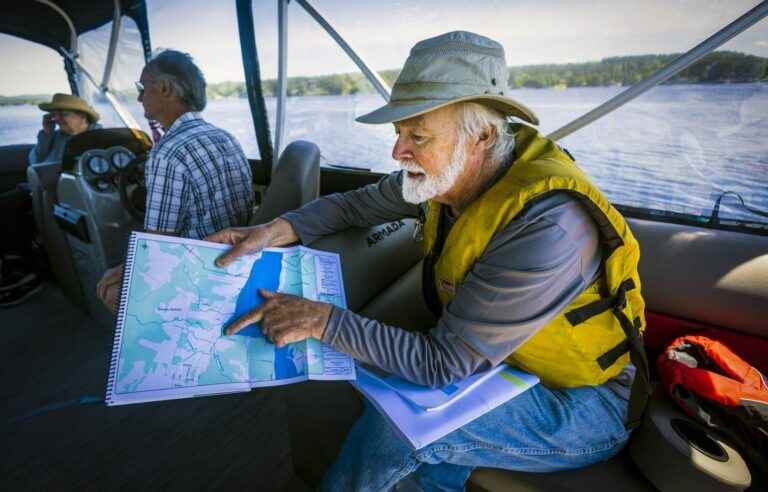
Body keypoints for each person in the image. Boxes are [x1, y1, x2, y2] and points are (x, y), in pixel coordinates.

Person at [208, 31, 649, 491]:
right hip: (508, 367)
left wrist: (321, 321)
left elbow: (443, 364)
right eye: (398, 133)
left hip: (586, 404)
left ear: (481, 136)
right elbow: (353, 206)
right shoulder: (451, 171)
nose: (397, 152)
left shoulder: (548, 226)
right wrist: (271, 231)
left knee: (394, 433)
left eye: (416, 135)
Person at [96, 49, 255, 312]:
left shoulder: (167, 153)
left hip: (202, 271)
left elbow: (159, 244)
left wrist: (124, 269)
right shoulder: (226, 136)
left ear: (166, 89)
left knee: (109, 289)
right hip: (240, 257)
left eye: (142, 87)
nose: (139, 97)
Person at [29, 93, 101, 165]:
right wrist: (47, 134)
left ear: (83, 116)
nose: (56, 119)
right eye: (54, 114)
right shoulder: (54, 136)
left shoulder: (101, 137)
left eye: (63, 114)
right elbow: (35, 161)